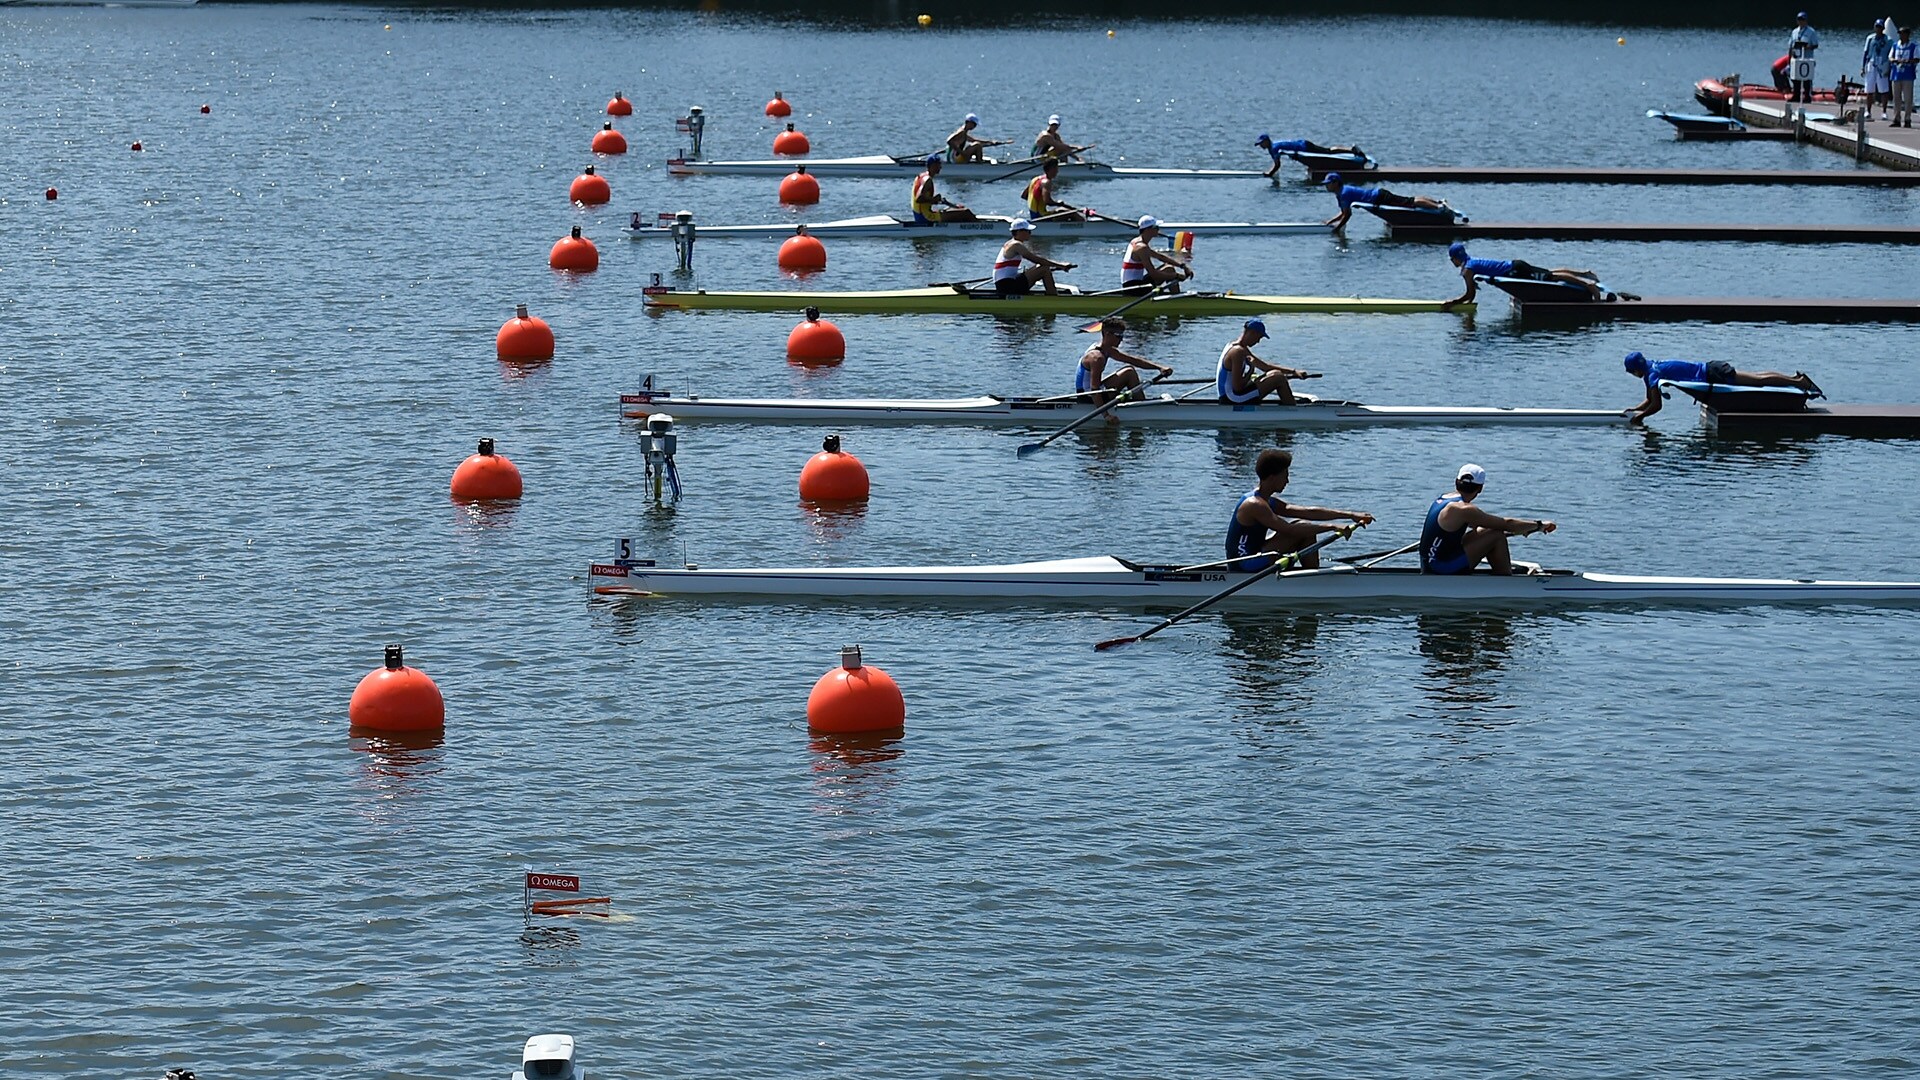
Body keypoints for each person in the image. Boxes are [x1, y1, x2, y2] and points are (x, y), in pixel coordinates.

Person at [1224, 449, 1374, 572]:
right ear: (1272, 477)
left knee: (1303, 526)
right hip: (1243, 565)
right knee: (1302, 528)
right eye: (1285, 476)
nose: (1287, 481)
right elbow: (1290, 530)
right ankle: (1311, 583)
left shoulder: (1267, 500)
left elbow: (1308, 512)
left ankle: (1312, 577)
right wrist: (1333, 527)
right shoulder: (1254, 504)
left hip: (1258, 556)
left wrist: (1351, 515)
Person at [1420, 464, 1555, 576]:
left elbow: (1485, 527)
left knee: (1490, 530)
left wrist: (1526, 529)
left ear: (1456, 482)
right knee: (1496, 536)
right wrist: (1538, 525)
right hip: (1440, 568)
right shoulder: (1464, 509)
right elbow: (1505, 524)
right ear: (1480, 489)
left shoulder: (1443, 499)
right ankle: (1506, 582)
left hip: (1431, 563)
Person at [1620, 350, 1822, 422]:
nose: (1632, 375)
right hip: (1711, 368)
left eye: (1630, 372)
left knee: (1758, 380)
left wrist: (1640, 418)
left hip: (1713, 373)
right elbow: (1649, 400)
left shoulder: (1653, 374)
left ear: (1635, 369)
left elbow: (1656, 406)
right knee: (1758, 377)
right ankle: (1795, 380)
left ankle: (1798, 382)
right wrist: (1634, 410)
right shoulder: (1651, 369)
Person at [1442, 242, 1606, 306]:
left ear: (1456, 258)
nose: (1452, 263)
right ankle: (1585, 273)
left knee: (1551, 277)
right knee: (1549, 273)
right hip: (1515, 266)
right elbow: (1471, 294)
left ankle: (1589, 286)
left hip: (1517, 270)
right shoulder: (1471, 262)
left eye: (1452, 260)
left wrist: (1452, 303)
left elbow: (1470, 295)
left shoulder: (1468, 269)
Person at [1216, 318, 1311, 405]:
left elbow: (1265, 367)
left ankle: (1289, 406)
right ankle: (1293, 411)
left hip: (1231, 396)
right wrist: (1250, 371)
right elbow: (1238, 387)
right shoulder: (1237, 352)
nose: (1258, 342)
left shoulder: (1236, 346)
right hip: (1232, 399)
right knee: (1279, 378)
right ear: (1252, 333)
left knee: (1275, 374)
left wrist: (1294, 371)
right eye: (1259, 337)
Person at [1075, 318, 1171, 399]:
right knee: (1129, 373)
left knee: (1129, 369)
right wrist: (1106, 416)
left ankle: (1140, 404)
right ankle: (1142, 407)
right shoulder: (1096, 357)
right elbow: (1094, 389)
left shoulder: (1107, 349)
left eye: (1122, 335)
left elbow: (1133, 360)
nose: (1121, 339)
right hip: (1087, 396)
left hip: (1094, 391)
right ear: (1107, 334)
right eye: (1118, 336)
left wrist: (1159, 367)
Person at [1320, 172, 1448, 231]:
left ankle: (1438, 207)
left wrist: (1337, 229)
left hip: (1379, 198)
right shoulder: (1341, 192)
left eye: (1328, 184)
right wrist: (1331, 221)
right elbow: (1344, 213)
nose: (1326, 186)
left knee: (1409, 202)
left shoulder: (1344, 194)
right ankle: (1437, 203)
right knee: (1408, 200)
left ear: (1336, 183)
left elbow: (1347, 215)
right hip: (1379, 194)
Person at [991, 219, 1074, 295]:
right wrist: (1061, 265)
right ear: (1019, 232)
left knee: (1041, 268)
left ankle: (1052, 296)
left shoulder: (1010, 243)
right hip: (1007, 287)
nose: (1030, 233)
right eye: (1028, 231)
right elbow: (1037, 260)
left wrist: (1056, 267)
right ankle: (1054, 299)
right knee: (1044, 269)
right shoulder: (1016, 245)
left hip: (1006, 284)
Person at [1121, 216, 1193, 292]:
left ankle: (1175, 297)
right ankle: (1177, 300)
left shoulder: (1138, 241)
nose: (1158, 229)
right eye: (1156, 227)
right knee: (1169, 270)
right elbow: (1154, 274)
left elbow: (1160, 257)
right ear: (1148, 230)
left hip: (1137, 283)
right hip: (1132, 288)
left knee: (1169, 268)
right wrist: (1176, 276)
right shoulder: (1141, 248)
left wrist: (1183, 266)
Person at [1252, 133, 1364, 179]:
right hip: (1304, 147)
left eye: (1261, 143)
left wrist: (1269, 174)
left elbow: (1277, 165)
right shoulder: (1274, 146)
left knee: (1328, 153)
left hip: (1305, 149)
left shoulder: (1274, 148)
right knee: (1326, 153)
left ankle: (1351, 151)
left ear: (1266, 141)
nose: (1260, 146)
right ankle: (1350, 152)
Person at [910, 155, 978, 223]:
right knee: (966, 212)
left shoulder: (921, 176)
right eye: (939, 165)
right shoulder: (927, 180)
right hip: (926, 217)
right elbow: (918, 199)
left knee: (958, 208)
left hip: (920, 216)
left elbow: (923, 200)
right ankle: (979, 228)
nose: (940, 167)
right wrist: (934, 199)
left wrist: (936, 200)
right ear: (933, 166)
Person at [1864, 20, 1895, 120]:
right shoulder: (1870, 38)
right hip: (1872, 64)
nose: (1878, 29)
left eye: (1880, 27)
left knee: (1884, 90)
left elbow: (1892, 54)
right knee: (1869, 89)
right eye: (1877, 27)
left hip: (1883, 65)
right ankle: (1868, 111)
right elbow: (1866, 53)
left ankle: (1884, 112)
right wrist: (1863, 66)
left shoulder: (1889, 40)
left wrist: (1890, 68)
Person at [1790, 12, 1821, 103]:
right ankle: (1796, 95)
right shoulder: (1794, 32)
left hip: (1807, 58)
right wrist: (1790, 58)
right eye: (1799, 20)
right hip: (1797, 57)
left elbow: (1815, 45)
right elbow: (1791, 45)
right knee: (1795, 77)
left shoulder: (1811, 32)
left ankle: (1807, 96)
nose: (1801, 22)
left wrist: (1807, 47)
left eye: (1803, 20)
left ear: (1806, 21)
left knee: (1807, 78)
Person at [1892, 25, 1916, 127]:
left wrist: (1906, 61)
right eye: (1900, 34)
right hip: (1896, 75)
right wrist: (1895, 60)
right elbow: (1890, 57)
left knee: (1907, 98)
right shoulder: (1895, 45)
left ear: (1907, 35)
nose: (1901, 36)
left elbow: (1916, 59)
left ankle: (1907, 119)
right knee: (1896, 98)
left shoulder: (1913, 46)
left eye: (1903, 34)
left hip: (1908, 75)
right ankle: (1896, 118)